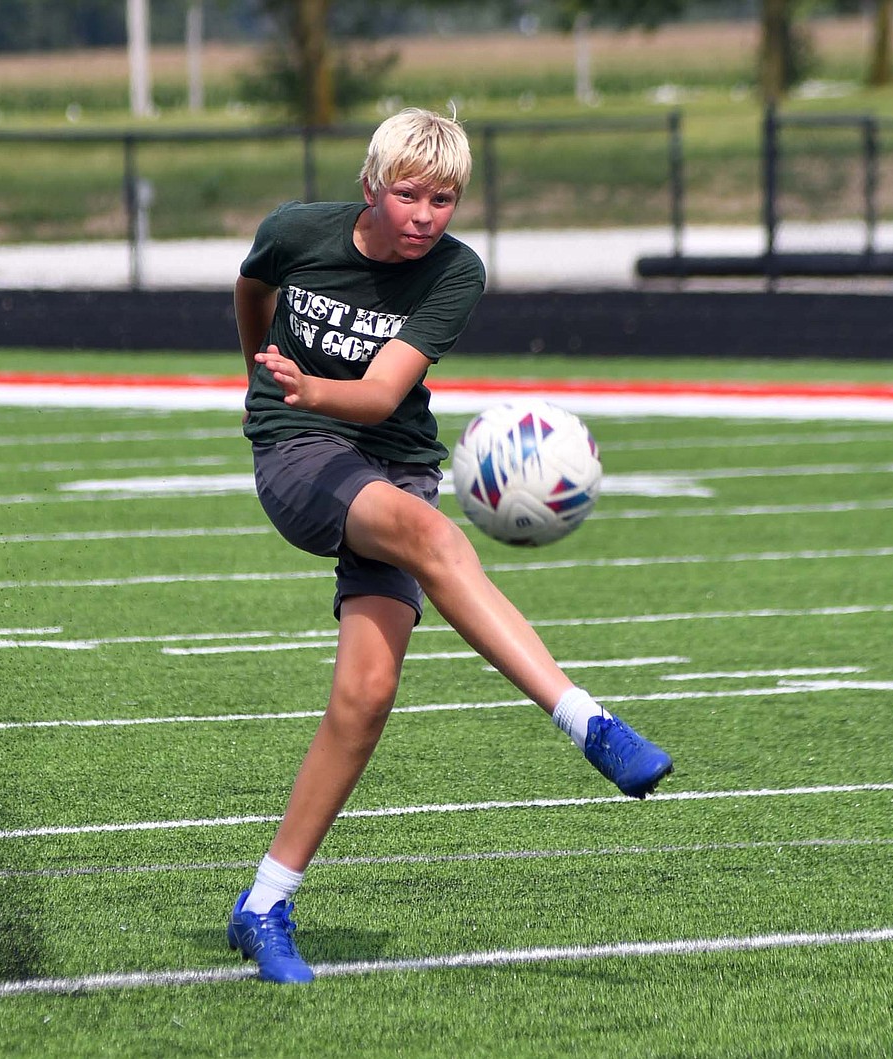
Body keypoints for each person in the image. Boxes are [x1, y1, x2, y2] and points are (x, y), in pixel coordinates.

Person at [227, 107, 673, 984]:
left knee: (367, 691)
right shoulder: (295, 232)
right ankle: (588, 722)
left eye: (445, 197)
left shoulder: (455, 273)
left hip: (386, 453)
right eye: (409, 194)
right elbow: (252, 285)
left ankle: (264, 903)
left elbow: (380, 393)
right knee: (431, 534)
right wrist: (266, 381)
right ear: (369, 186)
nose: (427, 214)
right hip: (297, 452)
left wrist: (314, 386)